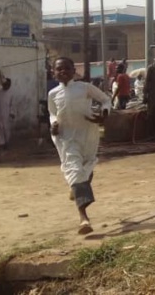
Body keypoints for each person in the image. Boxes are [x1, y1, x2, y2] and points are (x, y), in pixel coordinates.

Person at [48, 57, 111, 235]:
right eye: (59, 69)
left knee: (86, 169)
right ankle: (84, 218)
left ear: (73, 70)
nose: (63, 72)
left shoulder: (84, 88)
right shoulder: (53, 94)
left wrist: (104, 114)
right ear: (54, 73)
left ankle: (75, 189)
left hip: (88, 135)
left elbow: (105, 100)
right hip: (67, 138)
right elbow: (52, 113)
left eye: (67, 68)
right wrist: (53, 124)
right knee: (74, 170)